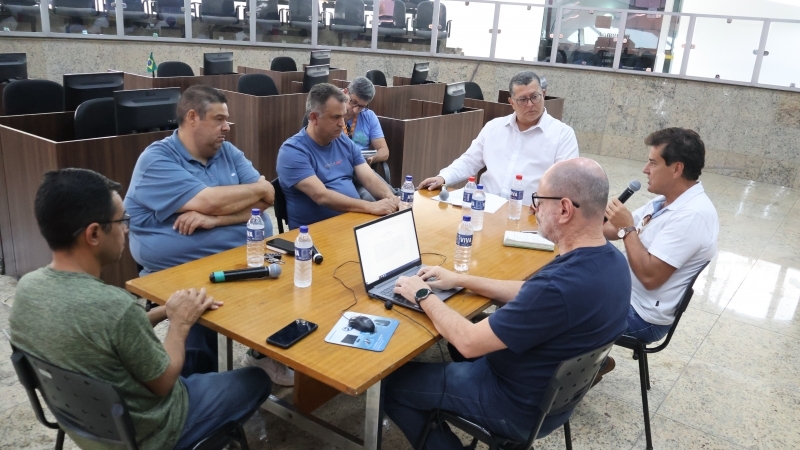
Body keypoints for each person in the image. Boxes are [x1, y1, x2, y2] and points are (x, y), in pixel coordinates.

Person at [8, 168, 272, 450]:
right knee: (256, 379)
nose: (126, 229)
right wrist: (180, 324)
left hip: (82, 424)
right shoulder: (114, 306)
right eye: (122, 220)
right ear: (94, 234)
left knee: (196, 359)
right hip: (153, 433)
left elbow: (106, 334)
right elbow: (164, 382)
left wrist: (165, 310)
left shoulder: (27, 289)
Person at [386, 158, 630, 449]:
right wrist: (461, 279)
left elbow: (469, 342)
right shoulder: (613, 263)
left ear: (565, 209)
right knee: (457, 340)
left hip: (513, 405)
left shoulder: (557, 286)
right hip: (552, 401)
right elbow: (530, 292)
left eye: (539, 200)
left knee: (392, 386)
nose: (534, 209)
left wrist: (422, 295)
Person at [124, 85, 292, 386]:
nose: (227, 127)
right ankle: (192, 390)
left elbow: (267, 199)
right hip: (177, 269)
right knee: (203, 311)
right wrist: (247, 193)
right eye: (219, 119)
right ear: (192, 118)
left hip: (237, 258)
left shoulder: (227, 151)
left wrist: (213, 220)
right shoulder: (156, 160)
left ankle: (261, 354)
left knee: (292, 282)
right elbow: (213, 200)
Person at [601, 128, 718, 377]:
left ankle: (579, 371)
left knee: (563, 305)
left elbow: (650, 277)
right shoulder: (664, 201)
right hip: (624, 293)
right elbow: (610, 230)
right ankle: (589, 362)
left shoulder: (692, 215)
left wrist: (627, 228)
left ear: (676, 169)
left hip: (641, 315)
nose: (645, 169)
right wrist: (581, 216)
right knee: (572, 265)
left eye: (653, 163)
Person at [418, 71, 579, 204]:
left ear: (543, 94)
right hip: (484, 206)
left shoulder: (562, 134)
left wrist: (543, 204)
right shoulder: (494, 127)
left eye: (535, 97)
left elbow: (566, 184)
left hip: (529, 212)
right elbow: (469, 161)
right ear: (512, 102)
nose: (530, 104)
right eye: (522, 99)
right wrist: (443, 177)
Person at [277, 83, 399, 230]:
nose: (342, 124)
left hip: (352, 222)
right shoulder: (292, 151)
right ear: (314, 117)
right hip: (314, 234)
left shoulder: (342, 140)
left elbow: (369, 178)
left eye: (343, 116)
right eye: (335, 117)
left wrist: (391, 198)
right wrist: (370, 206)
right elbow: (321, 196)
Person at [342, 76, 396, 201]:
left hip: (363, 169)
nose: (356, 110)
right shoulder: (333, 115)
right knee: (370, 198)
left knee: (389, 194)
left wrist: (372, 159)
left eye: (361, 106)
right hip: (344, 171)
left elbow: (384, 151)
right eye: (353, 102)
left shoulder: (369, 116)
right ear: (345, 92)